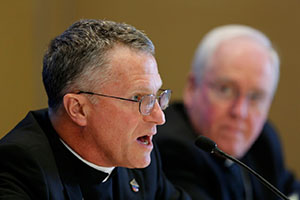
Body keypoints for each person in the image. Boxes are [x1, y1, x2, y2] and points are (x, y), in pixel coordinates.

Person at [0, 19, 191, 200]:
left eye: (157, 96)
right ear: (78, 109)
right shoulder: (17, 167)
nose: (159, 117)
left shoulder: (137, 156)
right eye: (137, 98)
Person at [155, 24, 300, 200]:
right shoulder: (172, 148)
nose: (240, 112)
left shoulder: (263, 140)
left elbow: (290, 191)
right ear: (192, 88)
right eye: (225, 90)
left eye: (255, 97)